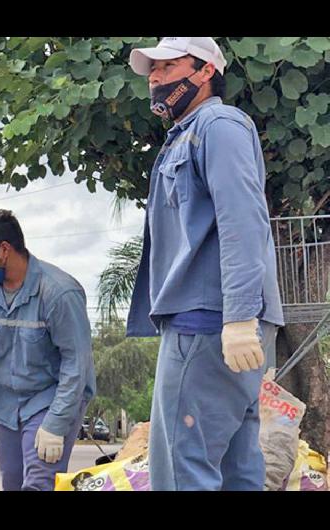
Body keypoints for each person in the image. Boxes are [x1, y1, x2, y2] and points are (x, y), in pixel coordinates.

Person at [125, 37, 284, 491]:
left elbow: (242, 222)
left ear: (205, 71)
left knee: (181, 468)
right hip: (222, 324)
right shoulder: (188, 135)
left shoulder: (216, 125)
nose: (155, 78)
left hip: (209, 322)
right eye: (152, 70)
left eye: (168, 66)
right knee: (239, 468)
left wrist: (237, 317)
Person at [0, 210, 96, 490]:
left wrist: (56, 423)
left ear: (4, 250)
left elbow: (77, 365)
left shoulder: (59, 293)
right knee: (12, 483)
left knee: (38, 483)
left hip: (49, 401)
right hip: (7, 407)